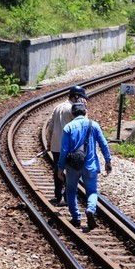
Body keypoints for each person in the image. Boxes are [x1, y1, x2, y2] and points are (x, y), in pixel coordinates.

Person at [57, 102, 112, 230]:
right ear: (85, 112)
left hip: (73, 166)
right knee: (92, 191)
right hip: (90, 164)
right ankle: (90, 210)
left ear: (72, 114)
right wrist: (108, 161)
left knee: (71, 191)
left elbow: (64, 149)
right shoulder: (94, 125)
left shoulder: (68, 127)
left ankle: (76, 218)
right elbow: (104, 144)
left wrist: (60, 167)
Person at [45, 85, 88, 205]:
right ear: (76, 96)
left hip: (55, 145)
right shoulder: (73, 109)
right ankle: (67, 196)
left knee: (57, 169)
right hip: (68, 146)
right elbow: (82, 124)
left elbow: (50, 126)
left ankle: (57, 195)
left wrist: (49, 142)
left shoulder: (58, 107)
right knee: (70, 171)